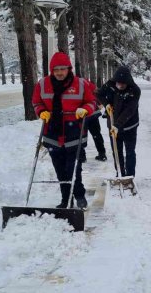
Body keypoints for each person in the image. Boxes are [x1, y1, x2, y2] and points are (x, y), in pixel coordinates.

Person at [32, 52, 98, 209]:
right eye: (56, 70)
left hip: (74, 132)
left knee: (74, 168)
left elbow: (92, 102)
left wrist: (84, 109)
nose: (59, 73)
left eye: (62, 69)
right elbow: (36, 101)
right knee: (60, 170)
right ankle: (65, 199)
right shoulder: (43, 84)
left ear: (69, 69)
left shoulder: (80, 84)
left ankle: (79, 195)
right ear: (51, 70)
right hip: (52, 133)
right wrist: (41, 111)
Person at [95, 66, 140, 178]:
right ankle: (120, 173)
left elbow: (129, 110)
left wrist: (117, 125)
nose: (120, 86)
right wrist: (107, 104)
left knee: (130, 151)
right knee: (117, 151)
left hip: (130, 126)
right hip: (113, 125)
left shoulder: (134, 90)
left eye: (123, 84)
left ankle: (130, 176)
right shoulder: (110, 85)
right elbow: (98, 94)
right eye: (118, 83)